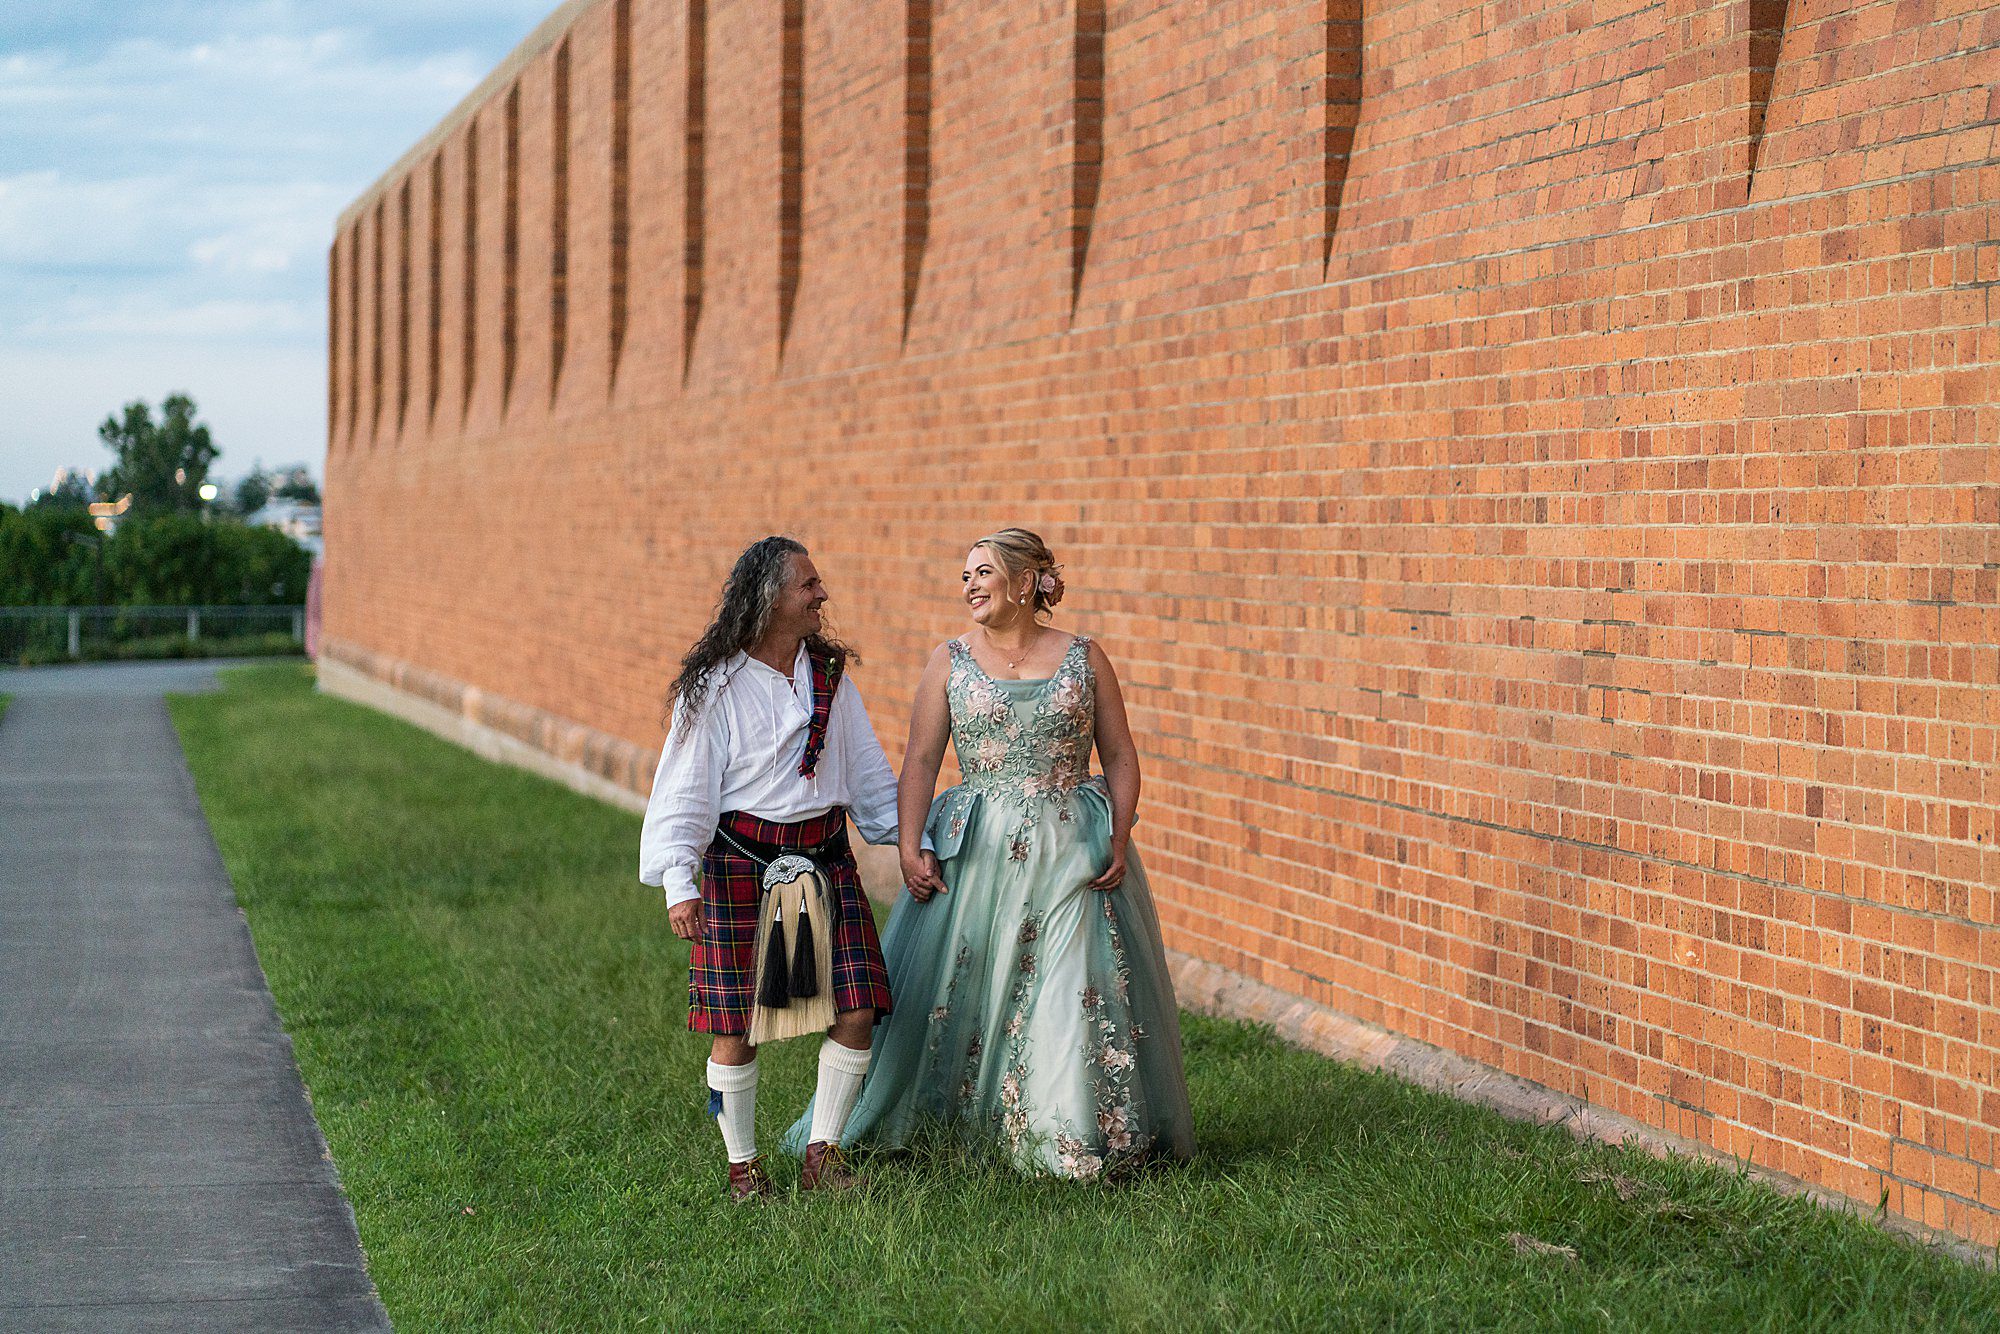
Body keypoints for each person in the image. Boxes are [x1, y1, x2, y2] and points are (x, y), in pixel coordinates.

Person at [787, 528, 1194, 1178]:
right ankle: (968, 1119)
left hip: (1073, 850)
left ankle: (1067, 1138)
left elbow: (1119, 754)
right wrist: (911, 844)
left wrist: (1118, 835)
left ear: (1027, 581)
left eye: (983, 572)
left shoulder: (1086, 657)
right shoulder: (949, 660)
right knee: (976, 984)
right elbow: (921, 760)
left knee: (1069, 985)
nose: (970, 586)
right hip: (977, 851)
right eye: (965, 576)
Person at [640, 536, 900, 1200]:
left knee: (858, 1007)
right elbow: (685, 789)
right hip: (742, 867)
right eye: (807, 584)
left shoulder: (830, 677)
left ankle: (824, 1155)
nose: (822, 594)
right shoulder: (715, 686)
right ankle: (743, 1169)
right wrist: (679, 882)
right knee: (736, 1028)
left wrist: (915, 839)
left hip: (827, 860)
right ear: (769, 598)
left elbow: (869, 774)